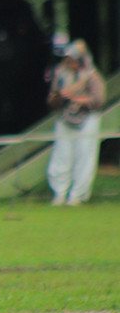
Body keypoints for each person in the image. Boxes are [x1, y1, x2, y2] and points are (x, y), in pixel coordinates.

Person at [46, 39, 106, 206]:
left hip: (87, 119)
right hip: (65, 118)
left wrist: (81, 100)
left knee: (84, 156)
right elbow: (52, 99)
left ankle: (77, 195)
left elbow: (99, 100)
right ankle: (59, 193)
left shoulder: (92, 75)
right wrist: (57, 97)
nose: (70, 63)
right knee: (62, 155)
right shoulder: (60, 73)